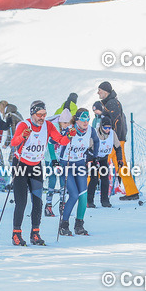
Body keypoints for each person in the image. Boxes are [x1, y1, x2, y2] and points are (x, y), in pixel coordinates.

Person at [8, 101, 70, 246]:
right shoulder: (24, 125)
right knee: (21, 202)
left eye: (44, 114)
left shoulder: (48, 126)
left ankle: (35, 233)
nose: (42, 117)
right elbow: (14, 142)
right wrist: (23, 136)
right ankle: (16, 234)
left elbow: (60, 140)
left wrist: (70, 136)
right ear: (32, 114)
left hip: (36, 166)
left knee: (38, 201)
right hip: (20, 165)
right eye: (39, 115)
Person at [97, 82, 139, 200]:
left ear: (106, 91)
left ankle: (84, 189)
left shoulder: (112, 103)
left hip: (113, 140)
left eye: (99, 90)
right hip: (118, 139)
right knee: (121, 165)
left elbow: (116, 122)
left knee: (100, 161)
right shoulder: (112, 102)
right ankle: (132, 191)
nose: (98, 93)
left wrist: (110, 138)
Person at [58, 109, 95, 236]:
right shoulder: (69, 129)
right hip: (66, 165)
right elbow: (53, 143)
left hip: (80, 164)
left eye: (88, 119)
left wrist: (92, 156)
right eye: (83, 119)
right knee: (74, 195)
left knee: (83, 195)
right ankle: (64, 224)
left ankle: (79, 225)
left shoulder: (90, 130)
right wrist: (54, 160)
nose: (86, 122)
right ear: (77, 120)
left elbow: (97, 142)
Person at [87, 106, 121, 210]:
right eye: (105, 128)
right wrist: (92, 159)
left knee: (105, 179)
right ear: (101, 126)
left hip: (103, 158)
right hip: (93, 158)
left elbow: (118, 147)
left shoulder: (112, 134)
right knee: (93, 179)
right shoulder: (95, 133)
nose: (107, 130)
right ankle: (89, 201)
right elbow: (88, 148)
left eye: (109, 128)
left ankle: (105, 201)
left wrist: (120, 160)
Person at [43, 110, 73, 216]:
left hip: (61, 157)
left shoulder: (69, 129)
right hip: (50, 157)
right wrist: (54, 160)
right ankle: (48, 205)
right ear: (60, 122)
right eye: (65, 123)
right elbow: (50, 145)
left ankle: (62, 204)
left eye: (69, 123)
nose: (67, 125)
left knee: (63, 181)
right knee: (52, 180)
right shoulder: (54, 127)